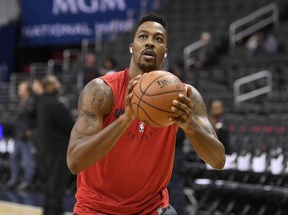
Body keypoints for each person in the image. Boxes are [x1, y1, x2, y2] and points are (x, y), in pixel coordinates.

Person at [67, 13, 226, 215]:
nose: (150, 43)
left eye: (158, 39)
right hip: (96, 209)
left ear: (165, 51)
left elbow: (218, 160)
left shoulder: (184, 96)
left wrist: (189, 126)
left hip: (150, 209)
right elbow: (74, 161)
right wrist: (125, 120)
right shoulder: (101, 91)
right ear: (132, 46)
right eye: (143, 36)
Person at [36, 75, 74, 215]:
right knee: (57, 183)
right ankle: (55, 211)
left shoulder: (41, 102)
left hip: (45, 148)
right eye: (55, 82)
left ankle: (48, 210)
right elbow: (70, 125)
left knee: (49, 183)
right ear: (49, 86)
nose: (58, 84)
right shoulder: (54, 103)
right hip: (57, 149)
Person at [6, 81, 35, 191]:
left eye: (21, 89)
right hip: (18, 135)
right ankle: (13, 180)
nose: (19, 91)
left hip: (25, 135)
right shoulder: (21, 102)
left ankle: (28, 182)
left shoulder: (31, 102)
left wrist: (29, 131)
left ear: (27, 90)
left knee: (27, 159)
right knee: (14, 158)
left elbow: (32, 119)